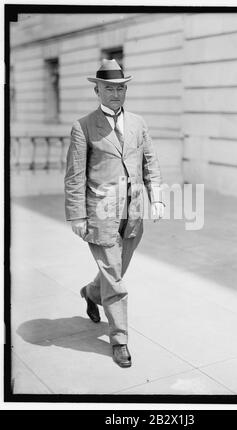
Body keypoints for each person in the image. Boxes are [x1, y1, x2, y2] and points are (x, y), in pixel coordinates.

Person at [64, 59, 164, 368]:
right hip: (100, 212)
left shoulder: (138, 123)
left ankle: (92, 292)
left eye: (121, 88)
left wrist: (156, 196)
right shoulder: (83, 127)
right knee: (117, 282)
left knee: (114, 272)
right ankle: (119, 339)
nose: (116, 94)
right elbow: (75, 176)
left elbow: (150, 162)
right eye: (109, 88)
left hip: (132, 213)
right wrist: (77, 216)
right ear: (97, 90)